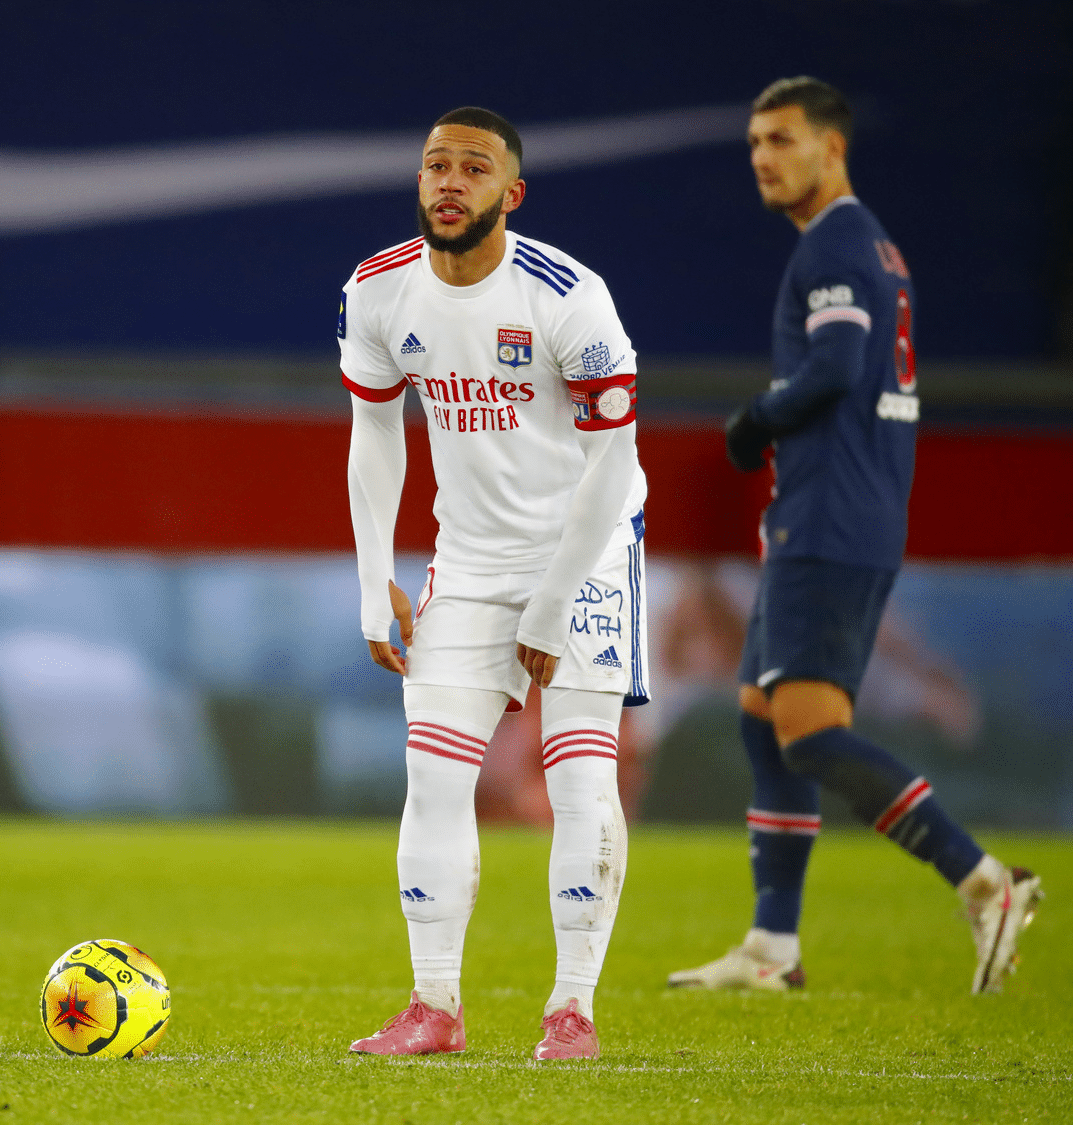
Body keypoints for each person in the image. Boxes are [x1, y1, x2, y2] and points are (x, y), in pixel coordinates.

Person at [668, 77, 1041, 995]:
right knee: (763, 722)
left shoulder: (836, 242)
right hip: (834, 511)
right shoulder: (865, 243)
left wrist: (754, 419)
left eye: (782, 138)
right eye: (754, 140)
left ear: (831, 148)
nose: (763, 155)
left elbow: (833, 366)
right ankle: (772, 945)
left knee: (808, 732)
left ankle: (985, 879)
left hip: (831, 518)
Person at [341, 106, 649, 1061]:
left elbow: (613, 456)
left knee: (579, 775)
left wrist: (555, 601)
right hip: (467, 562)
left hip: (587, 552)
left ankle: (572, 1011)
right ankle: (434, 1007)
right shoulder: (378, 290)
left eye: (474, 168)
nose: (449, 180)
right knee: (433, 775)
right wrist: (370, 579)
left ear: (510, 195)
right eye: (436, 164)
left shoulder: (569, 295)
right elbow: (376, 433)